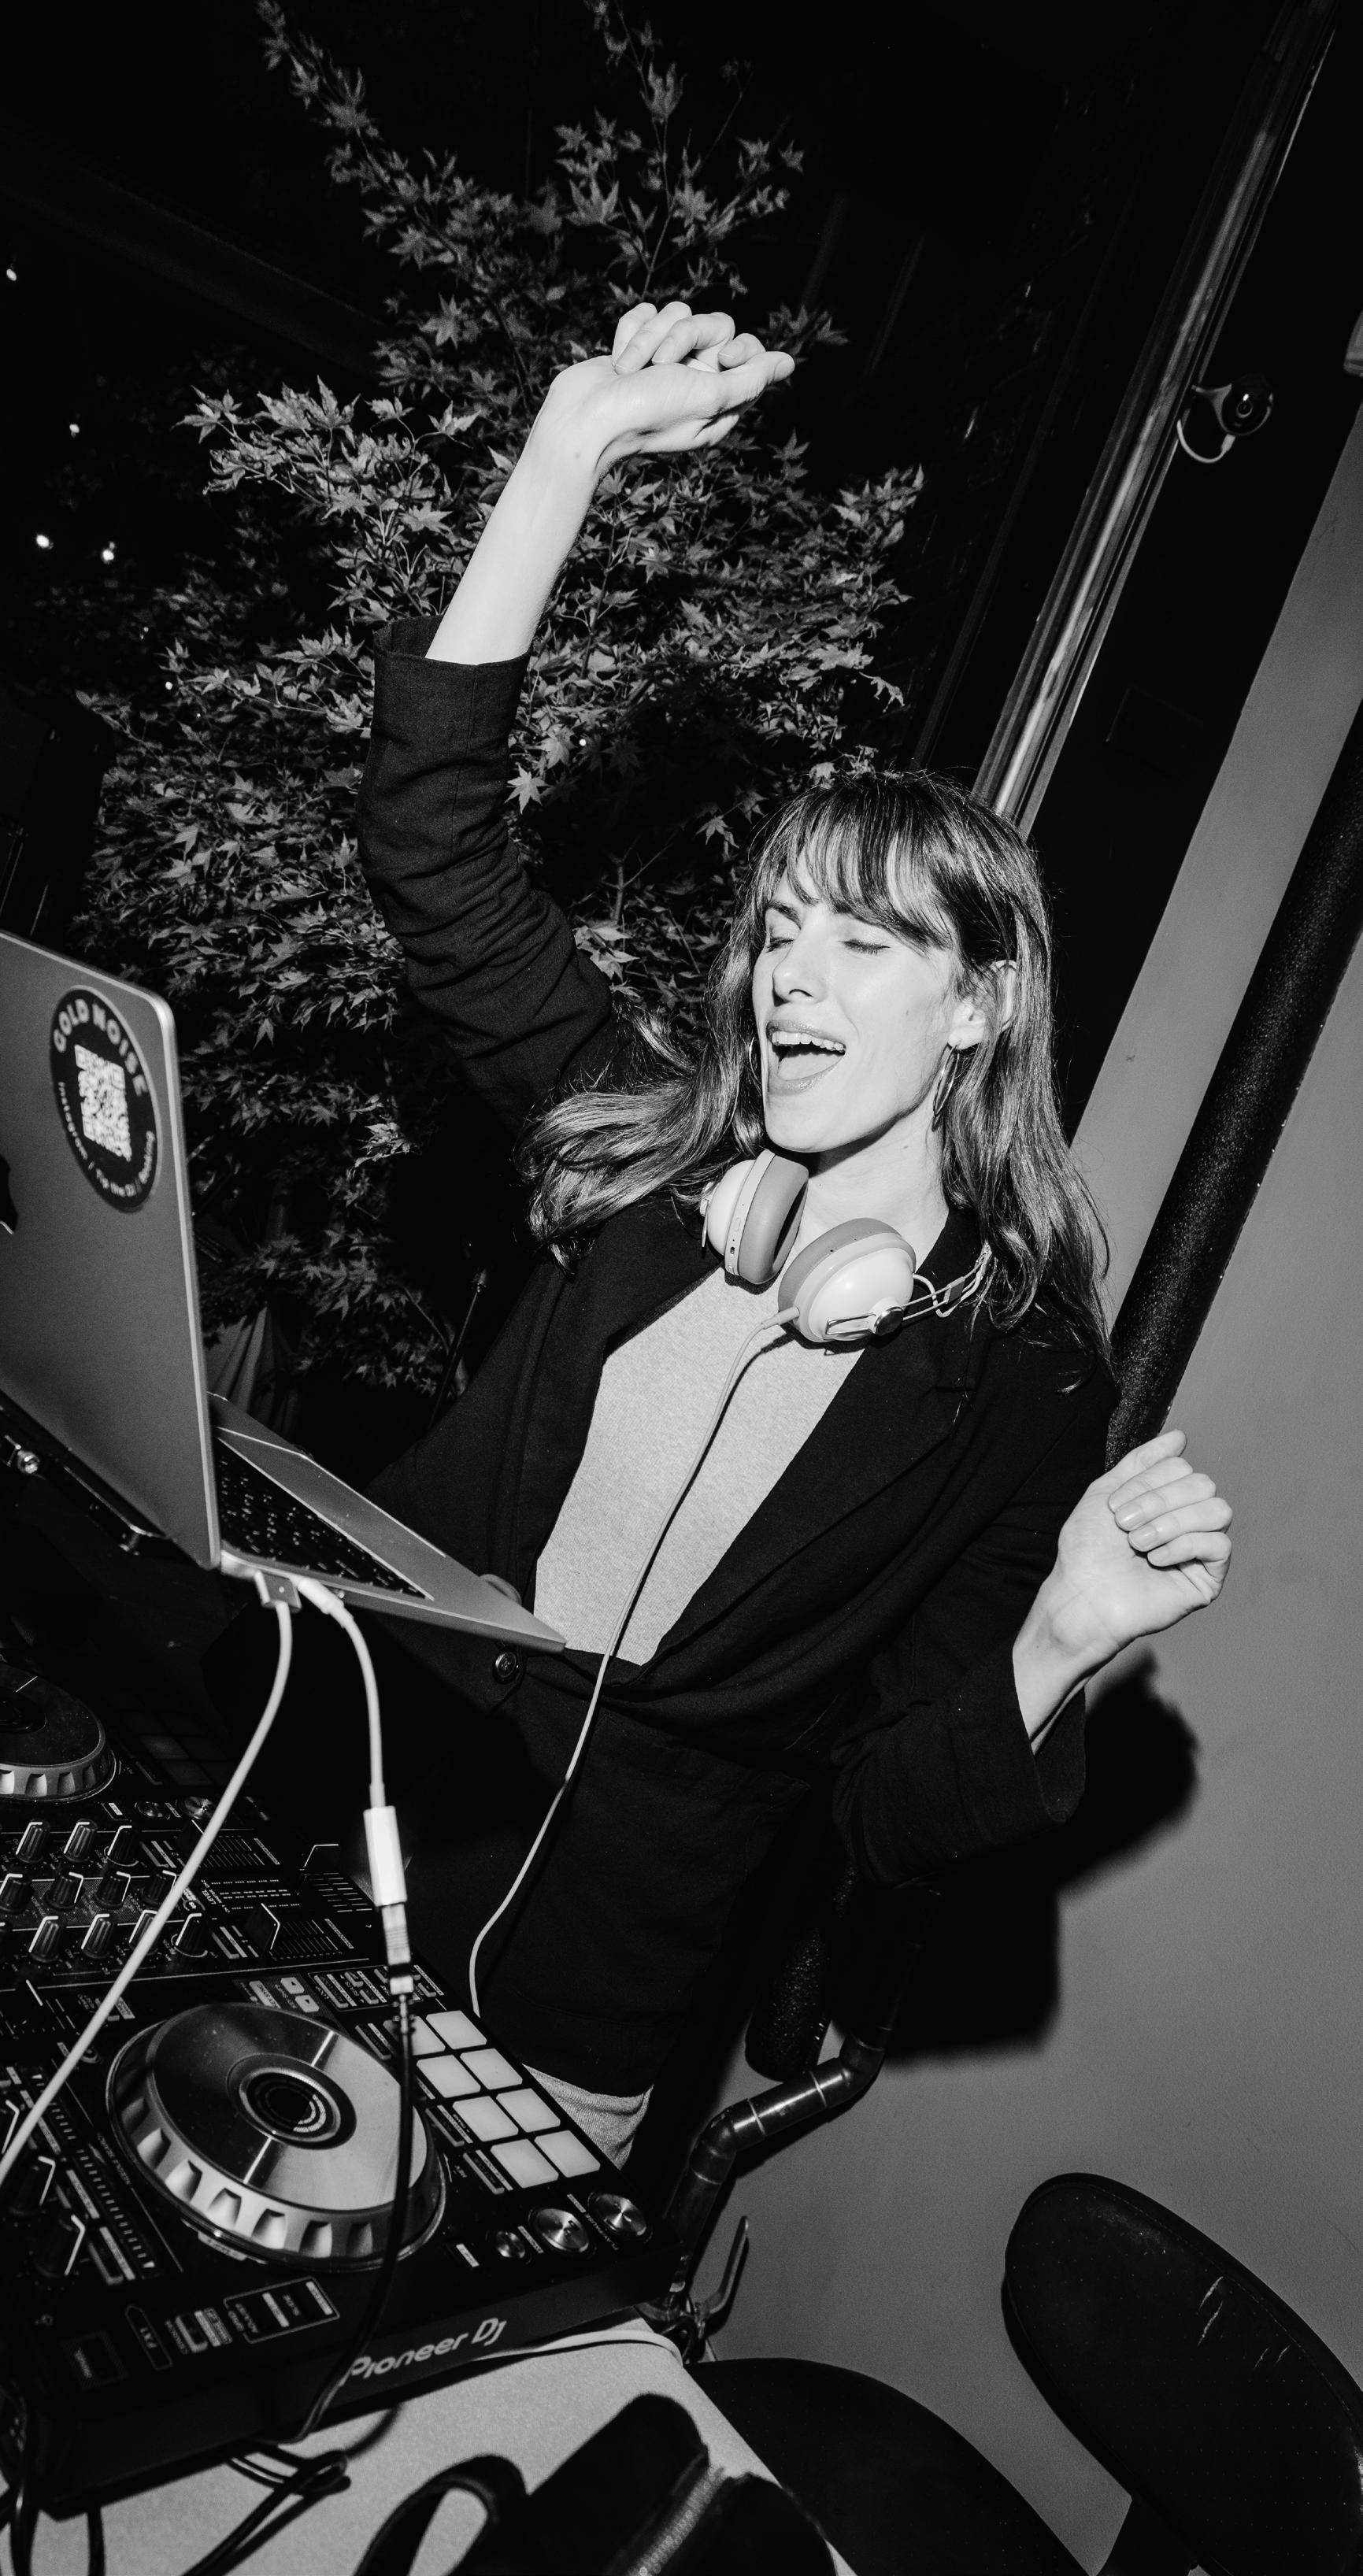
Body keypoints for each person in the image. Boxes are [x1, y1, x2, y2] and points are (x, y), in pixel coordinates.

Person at [356, 302, 1232, 2159]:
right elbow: (432, 844)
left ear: (977, 1003)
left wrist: (1057, 1640)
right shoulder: (656, 1157)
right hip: (339, 1854)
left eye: (865, 939)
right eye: (778, 931)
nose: (789, 978)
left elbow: (883, 1816)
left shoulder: (1013, 1386)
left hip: (570, 2027)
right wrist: (564, 454)